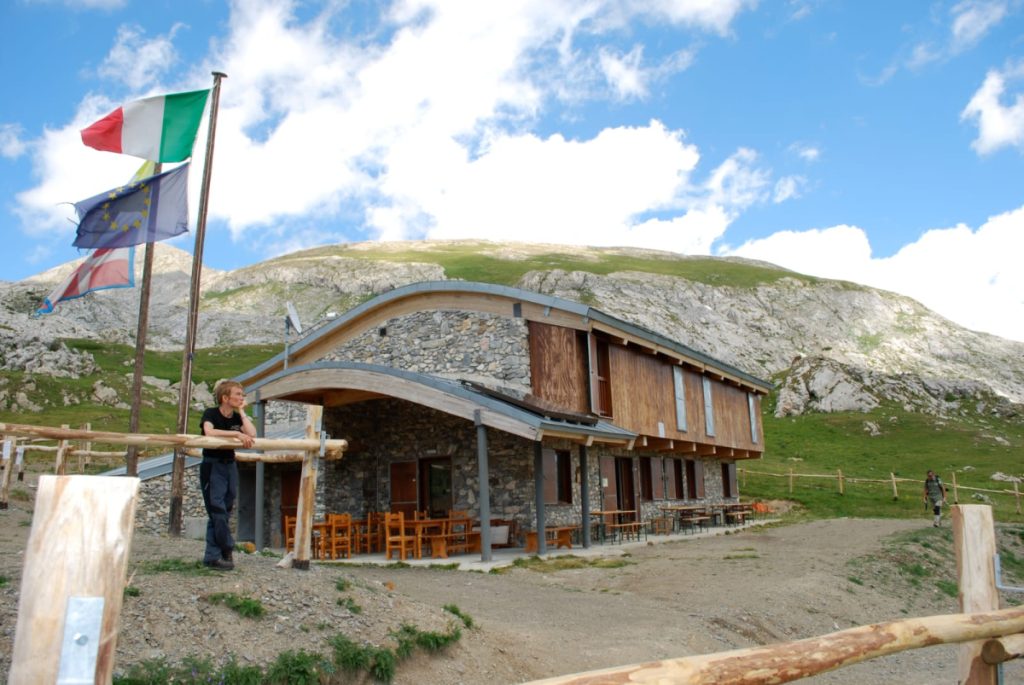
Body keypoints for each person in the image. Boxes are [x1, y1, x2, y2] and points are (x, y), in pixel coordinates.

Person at [199, 379, 256, 570]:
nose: (242, 397)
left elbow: (252, 433)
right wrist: (235, 435)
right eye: (238, 394)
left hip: (230, 465)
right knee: (217, 510)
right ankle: (225, 549)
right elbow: (209, 431)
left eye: (242, 394)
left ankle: (213, 556)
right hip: (213, 466)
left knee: (226, 509)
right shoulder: (211, 413)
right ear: (225, 397)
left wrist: (242, 412)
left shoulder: (237, 417)